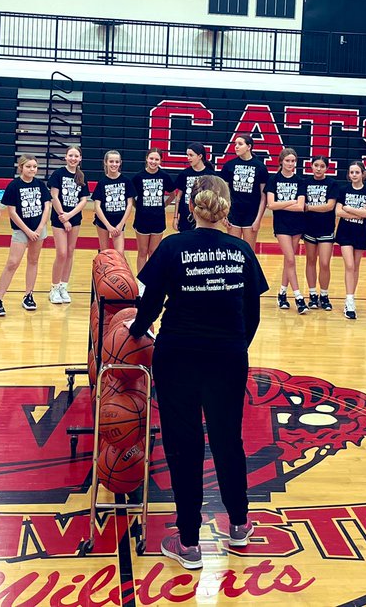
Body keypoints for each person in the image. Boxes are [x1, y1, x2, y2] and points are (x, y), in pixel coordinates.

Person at [131, 176, 269, 571]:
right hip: (227, 356)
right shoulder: (242, 250)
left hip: (178, 356)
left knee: (184, 446)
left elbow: (151, 304)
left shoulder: (173, 246)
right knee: (228, 440)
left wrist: (135, 332)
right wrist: (234, 346)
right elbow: (253, 313)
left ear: (190, 207)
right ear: (226, 208)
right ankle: (239, 525)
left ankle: (189, 542)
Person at [0, 155, 52, 314]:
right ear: (21, 167)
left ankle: (28, 295)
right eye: (28, 166)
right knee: (12, 263)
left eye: (34, 167)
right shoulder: (14, 186)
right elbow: (11, 212)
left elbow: (47, 207)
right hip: (22, 230)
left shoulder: (40, 185)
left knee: (33, 261)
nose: (32, 169)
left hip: (38, 230)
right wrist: (27, 231)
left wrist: (40, 228)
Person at [265, 148, 307, 313]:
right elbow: (271, 205)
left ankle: (282, 293)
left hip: (297, 225)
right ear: (281, 161)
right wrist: (291, 201)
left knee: (289, 260)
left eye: (293, 161)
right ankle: (298, 297)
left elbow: (300, 207)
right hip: (281, 225)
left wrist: (282, 204)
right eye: (288, 161)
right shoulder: (273, 180)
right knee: (290, 259)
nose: (291, 164)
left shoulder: (300, 181)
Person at [48, 145, 89, 303]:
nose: (73, 158)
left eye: (76, 156)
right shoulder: (58, 174)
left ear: (80, 159)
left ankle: (63, 286)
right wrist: (63, 216)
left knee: (70, 252)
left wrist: (70, 216)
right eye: (70, 155)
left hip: (74, 219)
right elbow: (54, 196)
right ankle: (54, 287)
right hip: (59, 218)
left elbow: (84, 200)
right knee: (62, 253)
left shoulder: (81, 176)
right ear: (65, 157)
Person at [334, 160, 366, 320]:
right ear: (348, 174)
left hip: (360, 233)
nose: (354, 175)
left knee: (355, 267)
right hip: (345, 232)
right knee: (349, 265)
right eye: (351, 172)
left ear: (363, 174)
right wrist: (359, 211)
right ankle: (349, 301)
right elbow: (338, 212)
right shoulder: (343, 190)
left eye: (357, 172)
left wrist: (349, 208)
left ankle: (350, 297)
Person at [301, 156, 337, 311]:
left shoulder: (332, 184)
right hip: (309, 227)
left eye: (322, 166)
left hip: (326, 228)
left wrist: (309, 207)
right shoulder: (305, 182)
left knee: (324, 263)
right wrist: (309, 208)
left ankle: (324, 294)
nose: (318, 168)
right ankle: (312, 294)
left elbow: (329, 206)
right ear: (311, 166)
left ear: (327, 168)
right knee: (310, 260)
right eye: (316, 165)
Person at [132, 148, 176, 273]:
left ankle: (151, 280)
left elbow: (172, 195)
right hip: (142, 219)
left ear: (161, 160)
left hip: (158, 220)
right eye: (151, 158)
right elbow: (131, 197)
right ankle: (141, 282)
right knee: (142, 251)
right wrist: (138, 207)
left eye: (157, 159)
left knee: (153, 252)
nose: (153, 161)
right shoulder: (138, 177)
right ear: (146, 158)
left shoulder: (164, 176)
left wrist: (163, 205)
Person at [219, 135, 268, 246]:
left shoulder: (260, 167)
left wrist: (258, 219)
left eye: (240, 144)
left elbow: (263, 197)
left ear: (249, 147)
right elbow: (223, 193)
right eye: (235, 144)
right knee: (233, 250)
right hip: (233, 214)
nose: (236, 147)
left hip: (251, 215)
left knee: (249, 252)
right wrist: (223, 215)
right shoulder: (229, 166)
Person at [93, 150, 133, 253]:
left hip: (119, 221)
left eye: (116, 162)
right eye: (111, 161)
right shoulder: (102, 182)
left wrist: (121, 224)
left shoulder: (126, 181)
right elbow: (97, 206)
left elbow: (129, 205)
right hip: (103, 222)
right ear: (106, 162)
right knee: (105, 253)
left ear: (120, 163)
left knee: (120, 254)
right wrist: (108, 226)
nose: (114, 164)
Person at [173, 142, 215, 233]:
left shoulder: (211, 175)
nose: (188, 158)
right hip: (186, 217)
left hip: (204, 218)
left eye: (191, 155)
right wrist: (176, 217)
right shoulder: (184, 174)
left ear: (200, 156)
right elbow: (178, 197)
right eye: (187, 155)